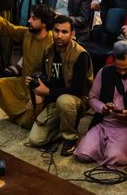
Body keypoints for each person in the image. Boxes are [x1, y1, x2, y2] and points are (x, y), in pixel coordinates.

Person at [73, 39, 127, 167]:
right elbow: (93, 98)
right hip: (103, 123)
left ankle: (110, 148)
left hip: (126, 127)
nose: (122, 72)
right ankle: (102, 146)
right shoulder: (104, 72)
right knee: (83, 155)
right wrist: (103, 108)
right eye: (118, 68)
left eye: (126, 69)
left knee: (115, 158)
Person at [0, 1, 55, 128]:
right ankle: (20, 115)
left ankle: (25, 116)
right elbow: (8, 28)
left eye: (34, 18)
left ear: (44, 23)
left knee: (27, 122)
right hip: (22, 83)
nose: (29, 20)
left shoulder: (52, 43)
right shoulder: (27, 33)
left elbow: (54, 77)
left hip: (38, 90)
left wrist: (41, 94)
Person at [27, 15, 92, 155]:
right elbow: (46, 77)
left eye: (64, 32)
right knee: (35, 140)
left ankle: (70, 138)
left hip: (77, 100)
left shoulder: (80, 54)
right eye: (56, 31)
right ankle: (61, 129)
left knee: (65, 101)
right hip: (54, 100)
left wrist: (47, 91)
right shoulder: (48, 50)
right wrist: (37, 90)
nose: (59, 36)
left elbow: (77, 90)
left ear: (72, 34)